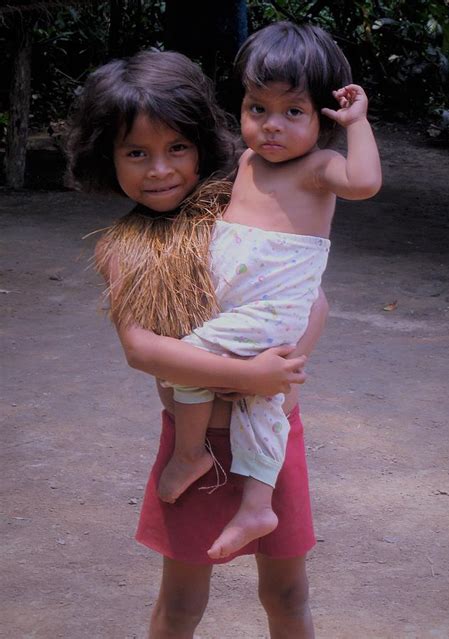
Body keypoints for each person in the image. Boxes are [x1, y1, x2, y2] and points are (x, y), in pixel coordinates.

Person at [67, 46, 329, 638]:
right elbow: (142, 350)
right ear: (106, 159)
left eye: (176, 148)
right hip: (196, 450)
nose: (159, 169)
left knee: (288, 594)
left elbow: (313, 301)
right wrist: (251, 376)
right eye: (137, 153)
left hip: (271, 435)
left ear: (203, 144)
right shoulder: (125, 249)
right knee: (181, 602)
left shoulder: (237, 213)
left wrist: (281, 369)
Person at [159, 20, 382, 561]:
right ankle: (258, 505)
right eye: (258, 109)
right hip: (237, 308)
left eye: (293, 112)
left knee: (184, 360)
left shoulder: (320, 168)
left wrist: (358, 123)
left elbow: (366, 182)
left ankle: (190, 453)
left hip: (274, 313)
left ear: (322, 118)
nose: (272, 126)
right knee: (263, 404)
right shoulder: (245, 162)